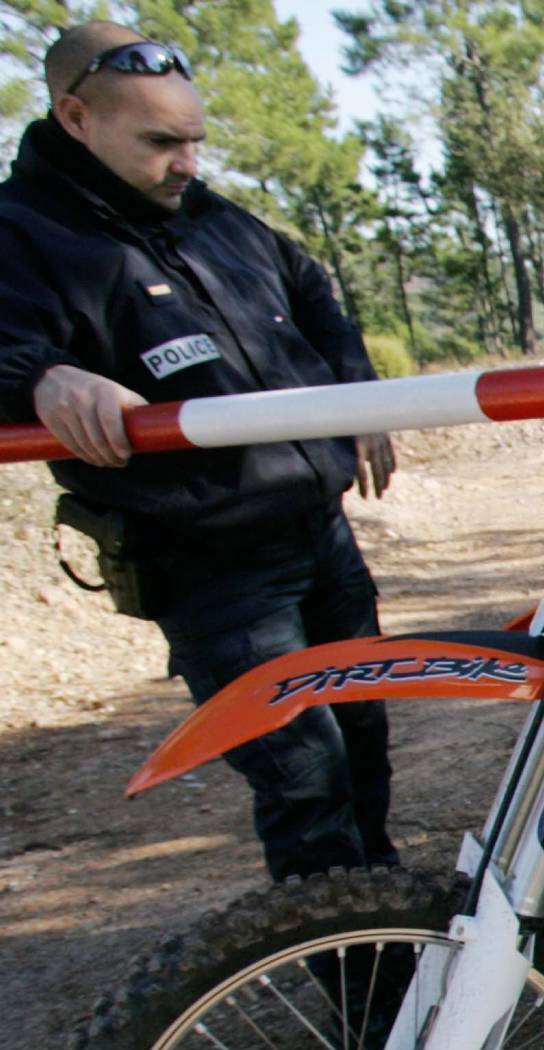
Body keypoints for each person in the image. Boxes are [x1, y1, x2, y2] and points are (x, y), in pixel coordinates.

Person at [0, 22, 399, 884]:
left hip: (320, 535)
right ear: (75, 118)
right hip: (211, 565)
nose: (186, 162)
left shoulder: (215, 217)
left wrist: (362, 393)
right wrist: (41, 377)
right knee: (305, 780)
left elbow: (312, 291)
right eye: (160, 142)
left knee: (364, 745)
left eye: (194, 141)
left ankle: (396, 942)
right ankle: (366, 998)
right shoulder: (23, 235)